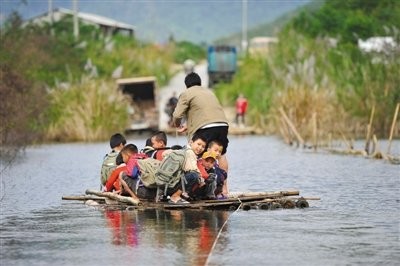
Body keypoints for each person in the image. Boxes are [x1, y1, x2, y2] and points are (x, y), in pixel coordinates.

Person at [172, 72, 229, 173]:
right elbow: (204, 113)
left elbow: (177, 115)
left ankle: (201, 183)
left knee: (197, 151)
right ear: (200, 83)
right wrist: (188, 126)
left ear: (187, 85)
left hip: (205, 127)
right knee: (221, 154)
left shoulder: (187, 93)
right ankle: (224, 187)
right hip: (222, 124)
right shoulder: (209, 92)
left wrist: (177, 124)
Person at [167, 133, 208, 204]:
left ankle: (181, 195)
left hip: (170, 182)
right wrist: (201, 179)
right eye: (198, 144)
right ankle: (175, 196)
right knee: (194, 175)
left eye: (203, 146)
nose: (200, 148)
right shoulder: (189, 152)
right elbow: (191, 169)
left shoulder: (184, 149)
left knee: (194, 175)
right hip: (173, 183)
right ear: (191, 142)